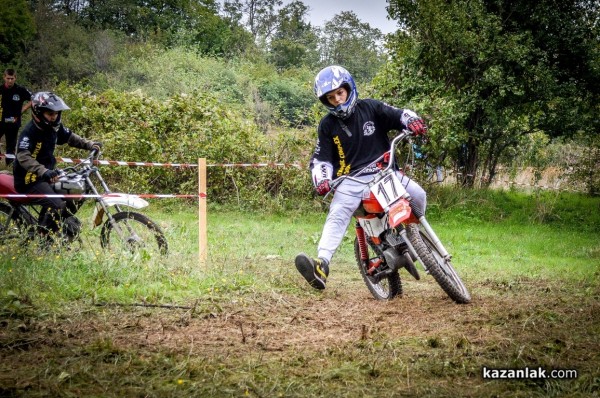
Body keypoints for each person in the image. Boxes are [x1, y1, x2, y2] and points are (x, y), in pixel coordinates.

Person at [295, 65, 428, 290]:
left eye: (340, 93)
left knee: (418, 194)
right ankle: (321, 265)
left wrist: (412, 122)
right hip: (350, 180)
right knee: (337, 213)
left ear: (349, 88)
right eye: (330, 97)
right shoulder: (327, 126)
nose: (337, 100)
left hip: (385, 171)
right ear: (325, 101)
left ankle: (413, 236)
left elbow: (399, 115)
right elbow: (321, 160)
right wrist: (322, 180)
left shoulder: (371, 107)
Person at [13, 91, 101, 239]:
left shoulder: (54, 126)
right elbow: (23, 156)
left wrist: (90, 144)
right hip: (29, 180)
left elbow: (70, 137)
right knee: (58, 205)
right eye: (49, 113)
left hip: (47, 175)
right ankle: (44, 237)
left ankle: (51, 228)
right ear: (38, 112)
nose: (53, 116)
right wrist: (43, 171)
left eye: (56, 113)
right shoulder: (29, 132)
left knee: (76, 194)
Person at [0, 69, 32, 166]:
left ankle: (9, 167)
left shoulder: (20, 90)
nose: (10, 81)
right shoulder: (0, 89)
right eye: (8, 78)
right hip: (1, 121)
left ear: (15, 78)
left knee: (11, 147)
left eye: (12, 78)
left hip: (13, 122)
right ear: (4, 77)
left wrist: (24, 108)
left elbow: (34, 99)